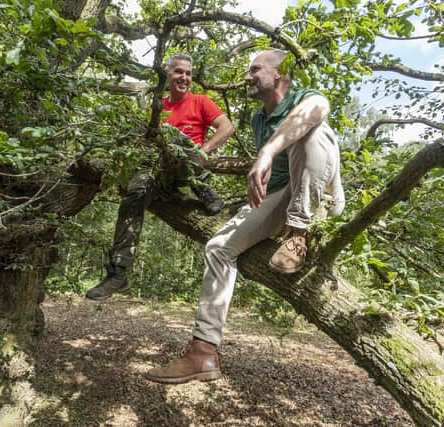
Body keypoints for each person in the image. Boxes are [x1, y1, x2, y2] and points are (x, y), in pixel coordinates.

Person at [144, 49, 345, 384]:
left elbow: (317, 110)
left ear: (281, 73)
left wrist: (267, 151)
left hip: (321, 197)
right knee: (218, 248)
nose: (247, 77)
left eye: (255, 70)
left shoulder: (304, 97)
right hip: (280, 197)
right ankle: (202, 353)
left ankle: (299, 233)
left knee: (313, 130)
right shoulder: (257, 119)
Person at [86, 53, 235, 301]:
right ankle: (119, 272)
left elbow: (227, 127)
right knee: (134, 194)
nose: (184, 77)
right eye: (178, 72)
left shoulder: (200, 101)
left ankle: (203, 188)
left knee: (178, 141)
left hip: (187, 169)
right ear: (168, 75)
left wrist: (205, 150)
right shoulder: (159, 107)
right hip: (157, 172)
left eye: (188, 73)